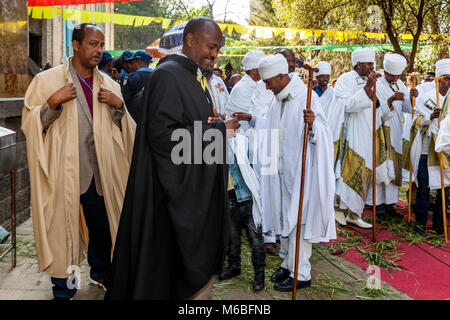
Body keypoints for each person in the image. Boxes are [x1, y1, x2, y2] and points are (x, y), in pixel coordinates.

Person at [105, 17, 240, 300]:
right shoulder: (169, 75)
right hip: (167, 200)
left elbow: (183, 126)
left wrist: (210, 126)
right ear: (190, 40)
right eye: (211, 47)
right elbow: (162, 137)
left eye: (218, 49)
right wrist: (216, 132)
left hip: (185, 191)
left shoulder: (192, 77)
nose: (215, 54)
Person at [21, 23, 136, 300]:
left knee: (103, 228)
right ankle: (65, 286)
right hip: (64, 170)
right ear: (75, 45)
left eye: (101, 45)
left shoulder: (109, 84)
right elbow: (29, 123)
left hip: (100, 173)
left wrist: (119, 108)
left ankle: (101, 273)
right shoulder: (47, 81)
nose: (99, 50)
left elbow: (127, 130)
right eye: (93, 44)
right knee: (64, 231)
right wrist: (51, 103)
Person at [232, 54, 336, 292]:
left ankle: (302, 273)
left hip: (300, 172)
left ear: (281, 76)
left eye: (269, 82)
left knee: (298, 220)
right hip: (281, 170)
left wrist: (314, 125)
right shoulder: (277, 98)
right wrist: (252, 118)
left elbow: (324, 134)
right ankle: (288, 264)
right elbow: (271, 125)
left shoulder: (305, 96)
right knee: (284, 217)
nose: (267, 87)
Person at [327, 48, 392, 228]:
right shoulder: (345, 80)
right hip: (351, 134)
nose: (372, 67)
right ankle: (338, 209)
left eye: (373, 64)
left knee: (365, 172)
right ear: (358, 64)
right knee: (349, 171)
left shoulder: (373, 82)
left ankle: (355, 213)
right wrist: (367, 88)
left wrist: (386, 104)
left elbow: (377, 107)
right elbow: (347, 105)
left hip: (369, 133)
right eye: (369, 64)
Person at [369, 53, 416, 222]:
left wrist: (411, 97)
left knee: (393, 167)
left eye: (397, 75)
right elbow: (375, 109)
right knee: (382, 166)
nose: (394, 78)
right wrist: (390, 100)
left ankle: (390, 204)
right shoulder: (377, 83)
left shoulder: (399, 84)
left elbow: (408, 108)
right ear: (386, 71)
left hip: (396, 129)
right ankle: (379, 206)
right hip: (381, 129)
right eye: (391, 75)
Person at [408, 59, 450, 235]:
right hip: (427, 149)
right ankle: (420, 224)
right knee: (424, 188)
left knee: (445, 189)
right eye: (447, 78)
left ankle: (440, 225)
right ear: (438, 79)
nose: (449, 82)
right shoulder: (426, 98)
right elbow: (416, 121)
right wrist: (430, 117)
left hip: (445, 151)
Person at [226, 50, 266, 131]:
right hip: (242, 136)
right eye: (263, 68)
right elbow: (252, 117)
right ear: (254, 71)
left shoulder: (260, 85)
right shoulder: (242, 88)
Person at [122, 51, 153, 121]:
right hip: (152, 119)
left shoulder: (131, 78)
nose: (131, 66)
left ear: (138, 61)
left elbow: (125, 101)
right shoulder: (157, 76)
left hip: (135, 119)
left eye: (133, 63)